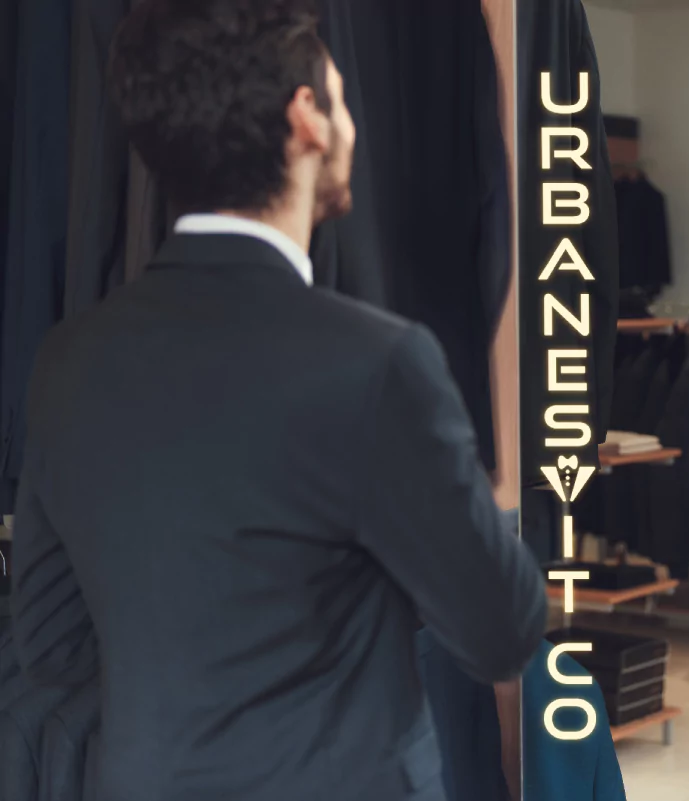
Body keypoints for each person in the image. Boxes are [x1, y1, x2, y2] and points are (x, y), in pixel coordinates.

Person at [8, 2, 547, 800]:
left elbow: (52, 642)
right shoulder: (378, 362)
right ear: (306, 119)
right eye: (341, 99)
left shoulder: (68, 362)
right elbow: (502, 629)